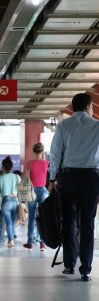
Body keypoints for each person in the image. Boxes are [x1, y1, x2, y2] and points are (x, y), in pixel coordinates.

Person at [48, 93, 99, 282]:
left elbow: (55, 153)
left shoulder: (63, 125)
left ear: (73, 107)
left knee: (68, 221)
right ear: (88, 107)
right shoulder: (97, 126)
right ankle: (85, 268)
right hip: (91, 178)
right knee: (87, 223)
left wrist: (52, 178)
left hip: (68, 177)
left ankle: (69, 264)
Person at [23, 143, 49, 251]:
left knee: (32, 218)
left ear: (33, 152)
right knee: (42, 218)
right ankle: (42, 244)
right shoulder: (47, 163)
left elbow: (26, 179)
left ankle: (30, 242)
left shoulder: (29, 163)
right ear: (42, 152)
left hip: (32, 192)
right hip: (43, 191)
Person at [0, 156, 21, 248]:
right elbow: (20, 189)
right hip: (15, 201)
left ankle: (11, 240)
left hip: (6, 201)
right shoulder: (17, 176)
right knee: (11, 222)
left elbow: (0, 190)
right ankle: (11, 240)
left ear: (3, 167)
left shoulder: (0, 178)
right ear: (12, 167)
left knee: (8, 222)